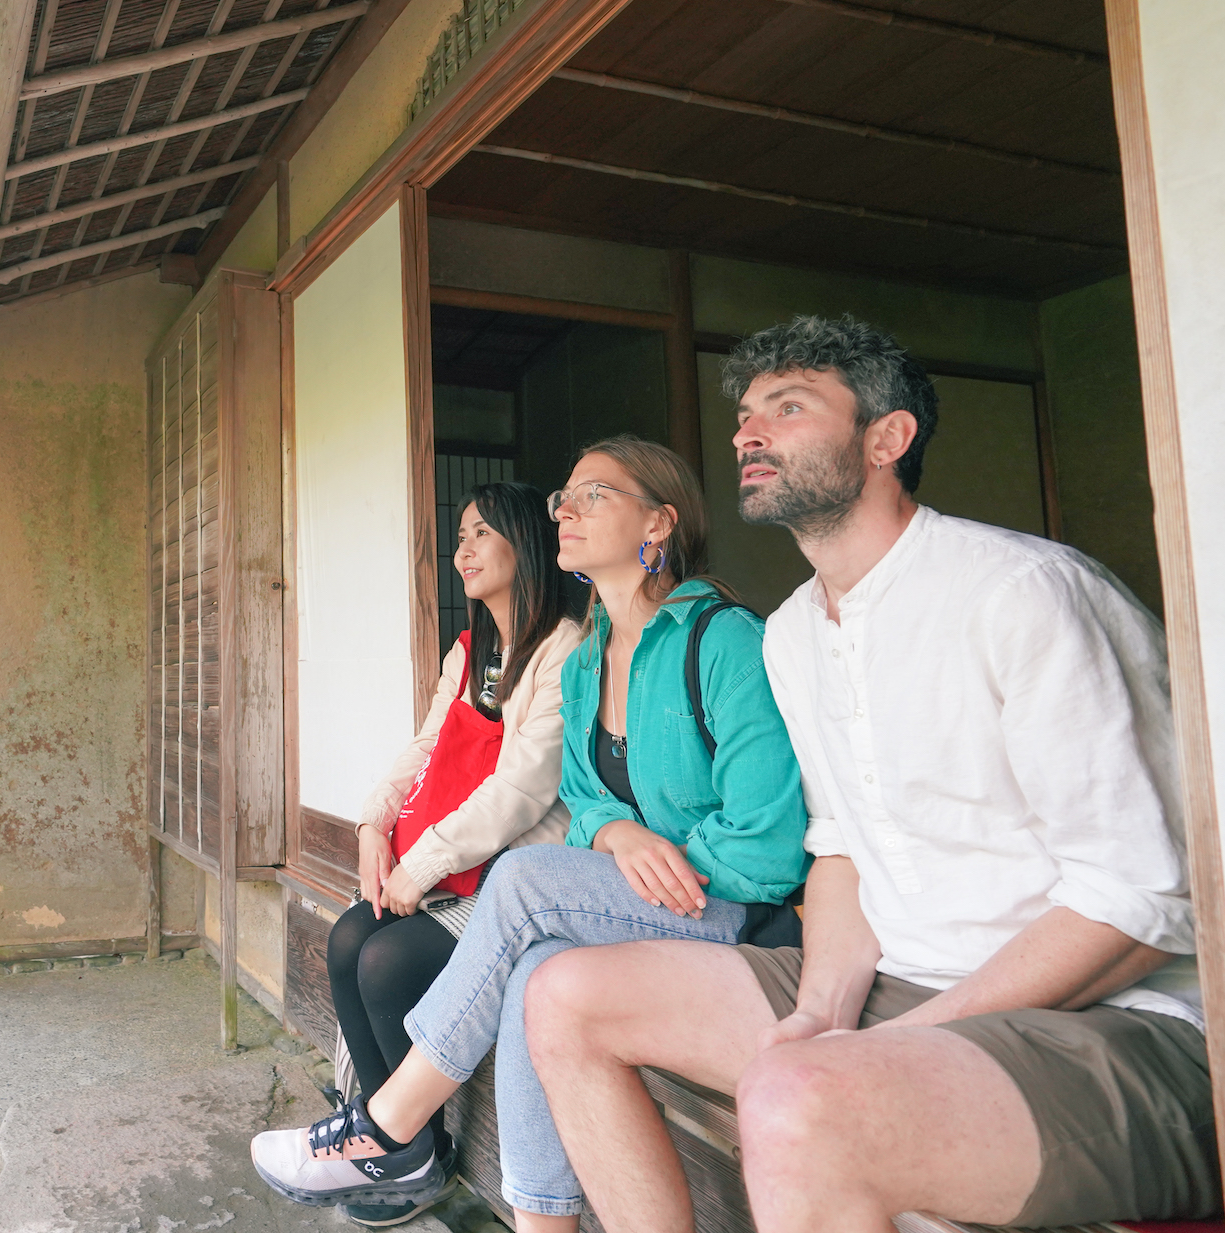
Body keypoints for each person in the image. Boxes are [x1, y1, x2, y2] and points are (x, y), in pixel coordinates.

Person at [522, 316, 1213, 1232]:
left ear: (887, 439)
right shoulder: (797, 631)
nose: (747, 431)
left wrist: (896, 1040)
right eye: (746, 414)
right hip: (900, 982)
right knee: (565, 995)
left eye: (790, 406)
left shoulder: (1022, 594)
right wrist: (818, 1011)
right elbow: (839, 850)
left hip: (1119, 1026)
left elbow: (1140, 900)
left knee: (800, 1100)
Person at [252, 439, 809, 1228]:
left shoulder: (722, 640)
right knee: (534, 977)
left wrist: (665, 860)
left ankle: (390, 1123)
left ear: (659, 522)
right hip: (639, 904)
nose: (566, 509)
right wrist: (617, 835)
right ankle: (541, 1222)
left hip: (729, 910)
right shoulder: (592, 661)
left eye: (594, 495)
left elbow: (768, 844)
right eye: (563, 499)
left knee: (524, 878)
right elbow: (581, 799)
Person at [316, 480, 581, 1227]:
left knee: (385, 960)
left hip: (511, 871)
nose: (462, 550)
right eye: (459, 535)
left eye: (480, 534)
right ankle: (404, 1147)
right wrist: (373, 822)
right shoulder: (472, 652)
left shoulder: (565, 648)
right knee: (346, 939)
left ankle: (408, 1139)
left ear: (523, 544)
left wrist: (420, 862)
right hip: (450, 861)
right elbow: (426, 747)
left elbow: (522, 792)